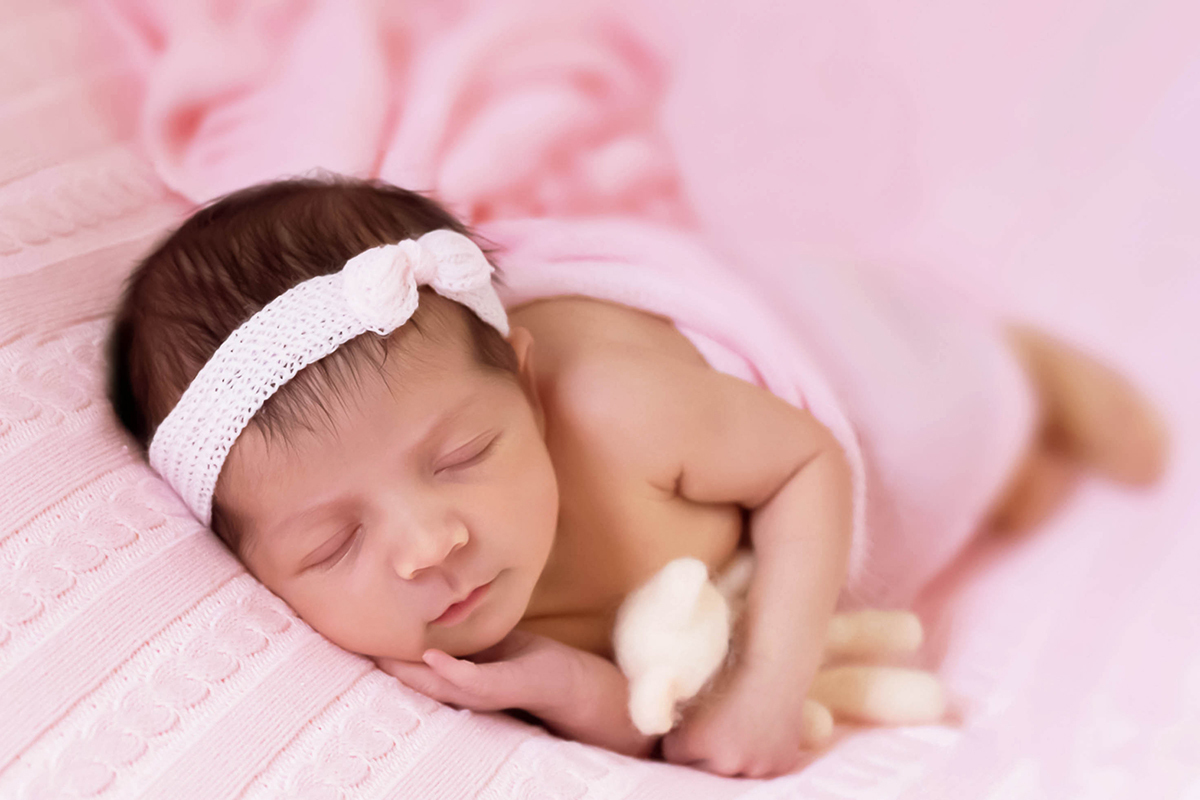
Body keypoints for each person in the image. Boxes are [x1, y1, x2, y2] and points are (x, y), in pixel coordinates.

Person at [108, 176, 1166, 778]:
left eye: (462, 455)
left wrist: (766, 686)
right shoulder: (410, 625)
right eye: (329, 541)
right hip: (702, 552)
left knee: (941, 402)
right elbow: (648, 713)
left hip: (805, 383)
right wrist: (565, 687)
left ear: (523, 381)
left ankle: (1027, 371)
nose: (430, 544)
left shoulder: (614, 409)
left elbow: (807, 461)